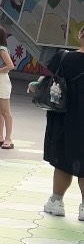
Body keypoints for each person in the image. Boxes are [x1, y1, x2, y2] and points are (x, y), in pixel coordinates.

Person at [36, 24, 84, 219]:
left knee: (63, 159)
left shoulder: (63, 57)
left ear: (80, 35)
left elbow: (47, 79)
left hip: (65, 117)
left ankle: (56, 201)